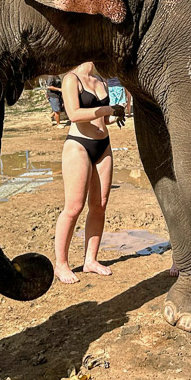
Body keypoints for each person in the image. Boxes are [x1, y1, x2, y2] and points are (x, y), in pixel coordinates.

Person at [53, 62, 125, 284]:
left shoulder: (101, 80)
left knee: (99, 205)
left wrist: (115, 115)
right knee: (74, 207)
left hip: (103, 146)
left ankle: (90, 260)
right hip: (79, 145)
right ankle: (61, 264)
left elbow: (103, 119)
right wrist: (107, 109)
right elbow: (74, 114)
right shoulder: (71, 79)